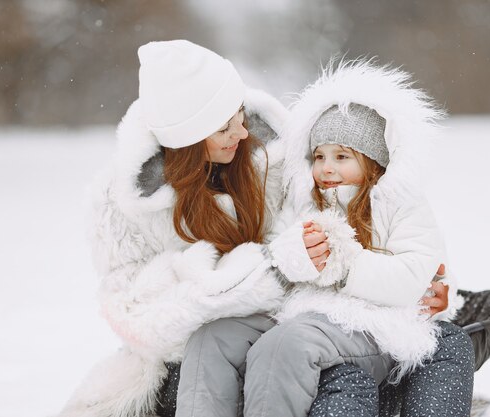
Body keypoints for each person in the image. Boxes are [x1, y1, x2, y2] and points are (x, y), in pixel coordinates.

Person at [175, 60, 473, 417]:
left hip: (370, 325)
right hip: (296, 312)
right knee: (214, 338)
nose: (326, 168)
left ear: (373, 163)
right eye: (319, 156)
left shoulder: (398, 204)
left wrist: (345, 266)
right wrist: (294, 257)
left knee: (286, 345)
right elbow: (276, 250)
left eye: (342, 156)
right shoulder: (304, 202)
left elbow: (416, 276)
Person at [57, 39, 290, 417]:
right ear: (189, 141)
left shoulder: (276, 161)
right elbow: (129, 308)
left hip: (278, 337)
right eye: (224, 128)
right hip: (177, 355)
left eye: (241, 117)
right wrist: (210, 291)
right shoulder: (121, 203)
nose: (243, 134)